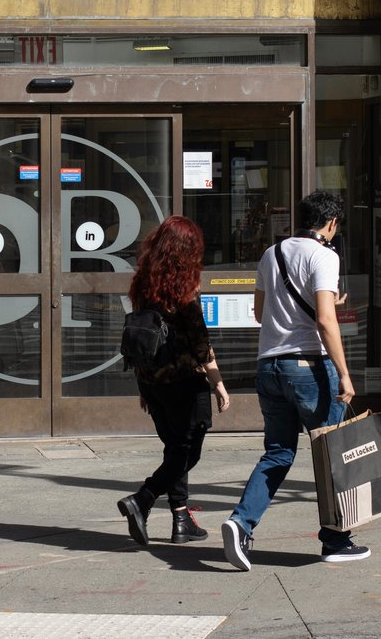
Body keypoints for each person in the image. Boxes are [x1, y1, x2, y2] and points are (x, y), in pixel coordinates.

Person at [221, 190, 369, 569]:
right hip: (308, 367)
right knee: (331, 454)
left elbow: (259, 311)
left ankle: (241, 523)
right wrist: (346, 374)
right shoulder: (324, 255)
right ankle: (336, 540)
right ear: (331, 223)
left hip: (269, 366)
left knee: (278, 452)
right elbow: (323, 320)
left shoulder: (272, 254)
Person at [117, 215, 231, 546]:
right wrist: (219, 384)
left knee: (174, 448)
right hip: (184, 383)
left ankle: (181, 519)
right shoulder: (184, 290)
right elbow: (201, 345)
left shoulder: (142, 284)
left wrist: (142, 383)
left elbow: (141, 335)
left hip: (152, 381)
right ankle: (143, 498)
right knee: (186, 452)